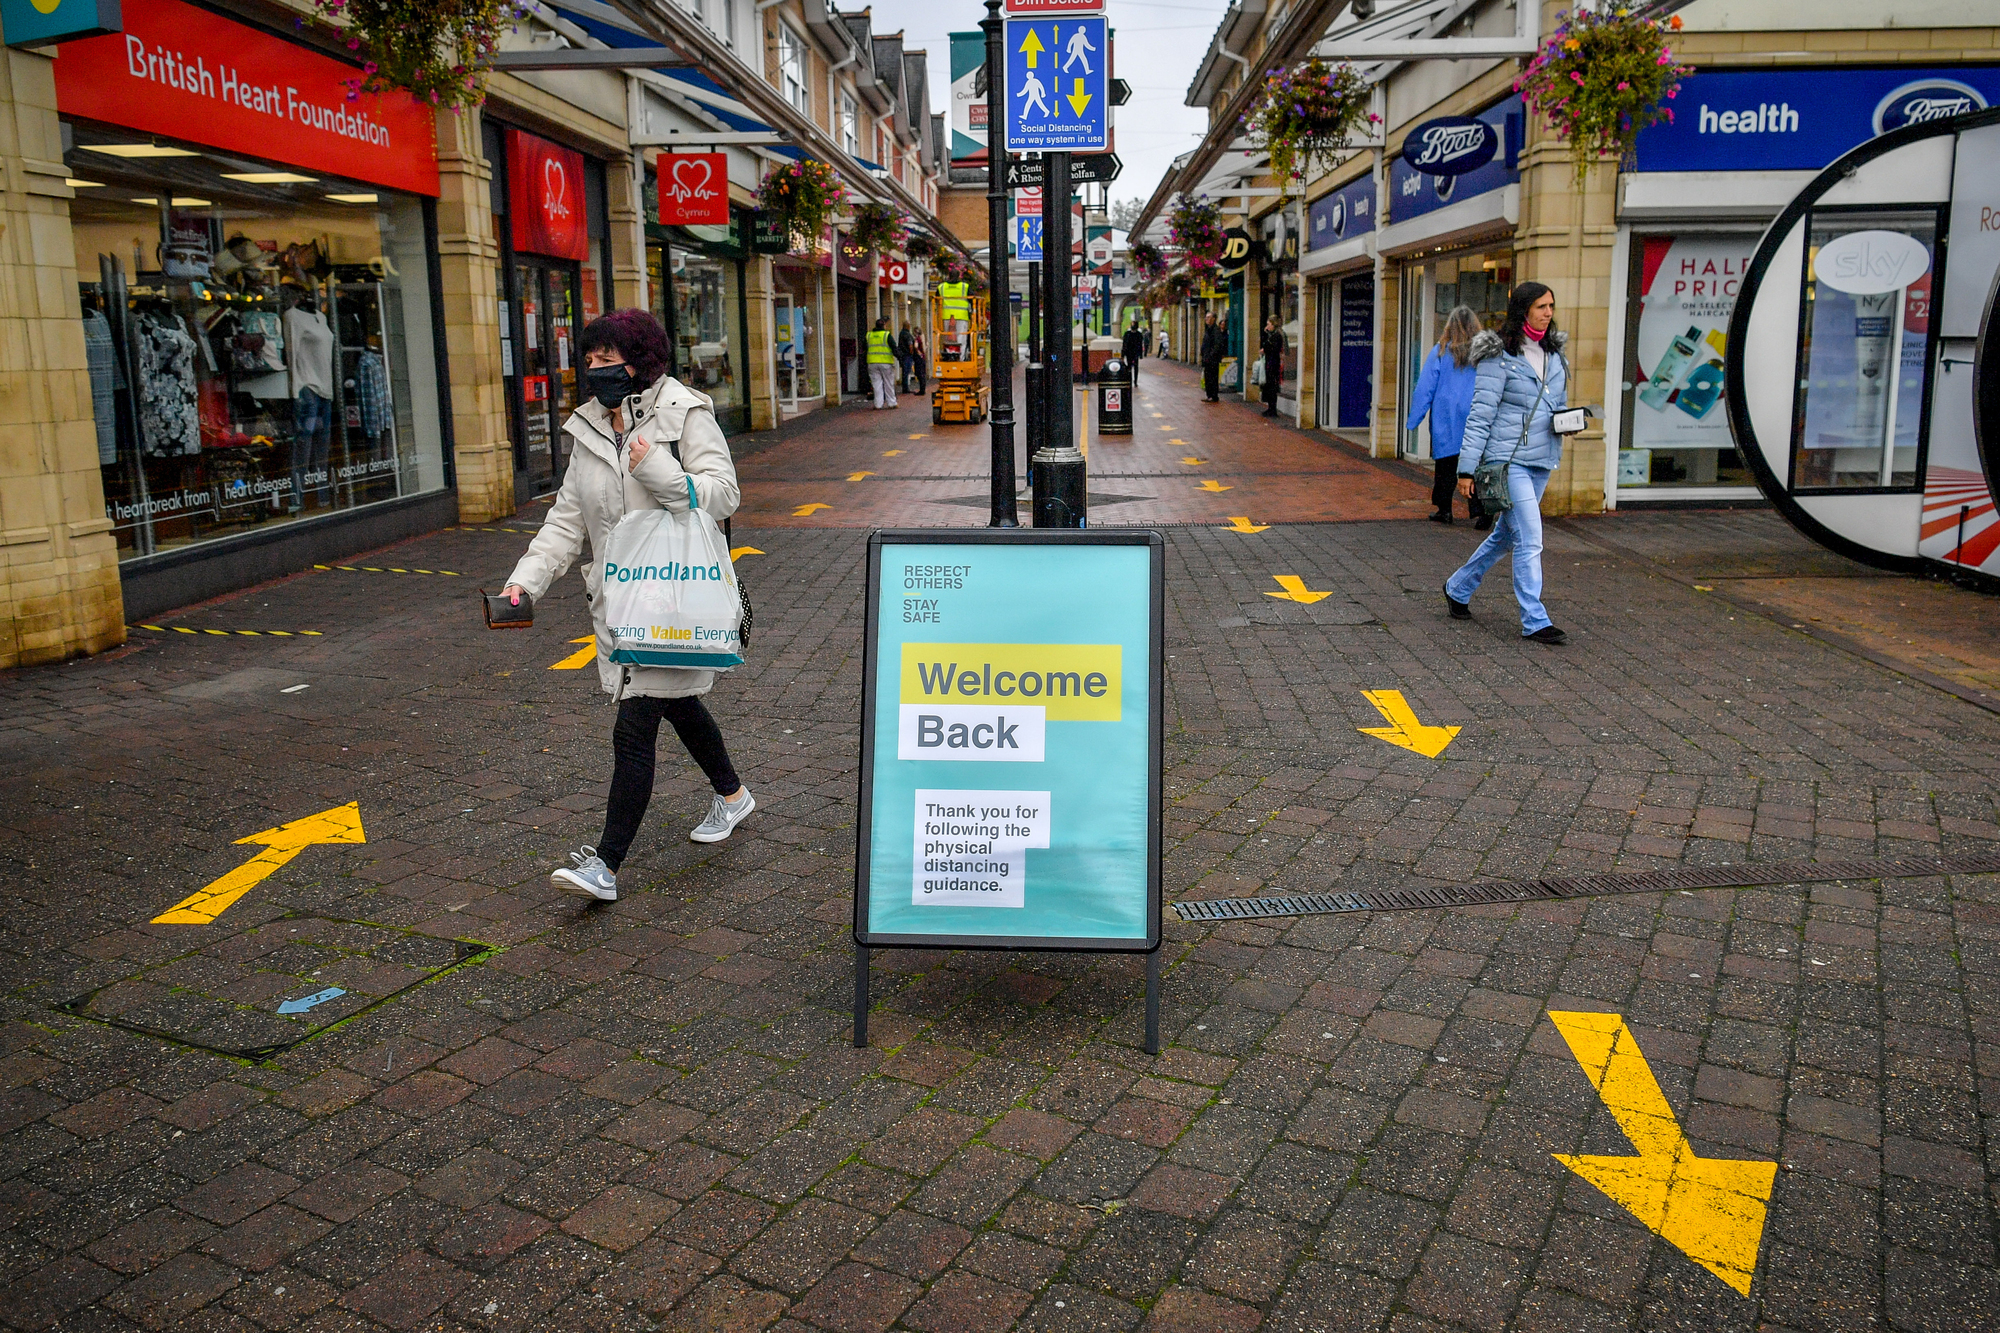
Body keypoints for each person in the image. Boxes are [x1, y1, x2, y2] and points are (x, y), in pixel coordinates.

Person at [499, 308, 755, 902]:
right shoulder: (589, 427)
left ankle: (605, 865)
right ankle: (734, 795)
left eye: (607, 359)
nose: (596, 370)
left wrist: (658, 468)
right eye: (590, 360)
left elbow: (723, 495)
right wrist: (524, 584)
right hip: (621, 603)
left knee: (635, 725)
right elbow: (566, 521)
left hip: (676, 600)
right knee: (678, 704)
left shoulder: (685, 412)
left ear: (640, 362)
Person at [1443, 281, 1571, 645]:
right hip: (1508, 460)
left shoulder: (1554, 354)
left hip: (1542, 458)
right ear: (1523, 310)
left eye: (1551, 306)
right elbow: (1480, 416)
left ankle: (1458, 587)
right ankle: (1535, 619)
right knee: (1530, 537)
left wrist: (1568, 421)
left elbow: (1557, 405)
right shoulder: (1498, 356)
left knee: (1504, 536)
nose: (1548, 313)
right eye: (1541, 306)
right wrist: (1466, 469)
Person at [1406, 305, 1483, 524]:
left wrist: (1414, 418)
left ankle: (1444, 509)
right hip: (1475, 412)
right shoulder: (1483, 355)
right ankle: (1481, 510)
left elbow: (1425, 387)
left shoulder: (1441, 351)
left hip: (1446, 415)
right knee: (1475, 464)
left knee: (1445, 465)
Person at [866, 317, 899, 409]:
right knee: (888, 383)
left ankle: (878, 404)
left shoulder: (869, 335)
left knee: (876, 385)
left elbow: (864, 348)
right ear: (884, 325)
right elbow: (894, 347)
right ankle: (891, 403)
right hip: (885, 362)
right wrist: (900, 358)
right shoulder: (886, 335)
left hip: (872, 362)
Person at [1259, 315, 1284, 418]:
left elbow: (1271, 347)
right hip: (1270, 363)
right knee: (1269, 386)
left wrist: (1265, 349)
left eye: (1269, 324)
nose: (1267, 326)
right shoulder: (1272, 335)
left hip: (1273, 364)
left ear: (1273, 325)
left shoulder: (1277, 336)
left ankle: (1273, 409)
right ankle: (1270, 408)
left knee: (1272, 386)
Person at [1199, 311, 1226, 403]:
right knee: (1207, 377)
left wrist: (1211, 356)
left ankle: (1213, 396)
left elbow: (1217, 345)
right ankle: (1209, 395)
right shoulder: (1208, 329)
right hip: (1207, 358)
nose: (1206, 319)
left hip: (1212, 359)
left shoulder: (1215, 330)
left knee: (1212, 377)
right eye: (1206, 317)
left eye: (1209, 317)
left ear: (1214, 319)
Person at [896, 323, 916, 394]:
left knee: (904, 372)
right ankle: (905, 388)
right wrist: (912, 352)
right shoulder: (907, 334)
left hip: (902, 355)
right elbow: (910, 344)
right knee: (906, 372)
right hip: (907, 355)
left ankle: (905, 387)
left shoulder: (901, 334)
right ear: (908, 326)